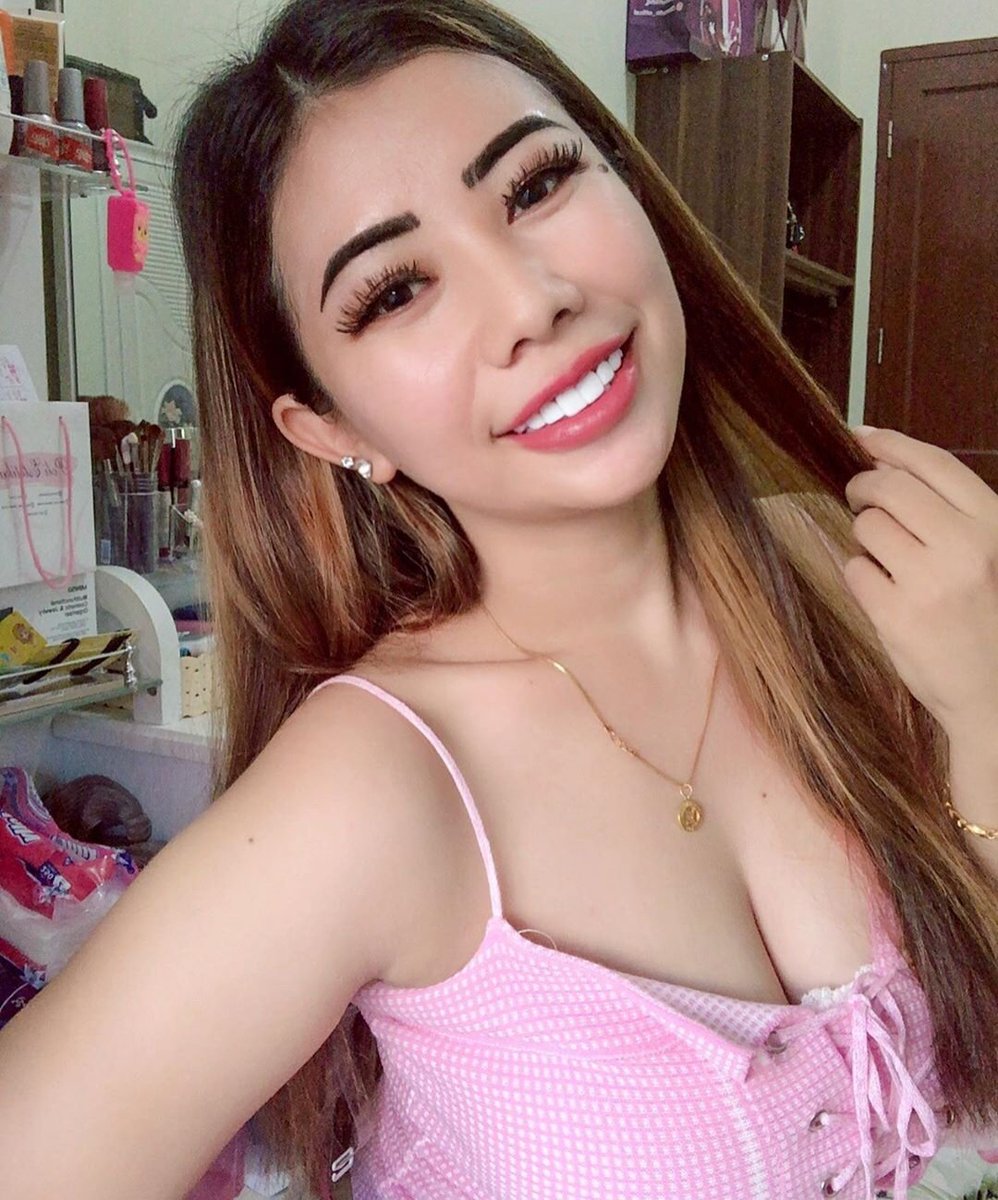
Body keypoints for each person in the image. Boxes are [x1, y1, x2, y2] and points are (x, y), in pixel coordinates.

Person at [1, 1, 997, 1197]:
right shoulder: (372, 788)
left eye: (534, 185)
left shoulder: (856, 578)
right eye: (394, 291)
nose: (528, 303)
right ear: (332, 428)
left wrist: (984, 709)